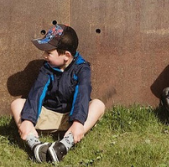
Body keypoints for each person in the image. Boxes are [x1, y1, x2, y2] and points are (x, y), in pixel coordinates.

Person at [11, 24, 106, 163]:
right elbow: (37, 93)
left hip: (70, 120)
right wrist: (28, 120)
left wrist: (78, 121)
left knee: (98, 105)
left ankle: (64, 144)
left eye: (49, 53)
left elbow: (82, 94)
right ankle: (35, 144)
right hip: (47, 116)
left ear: (66, 55)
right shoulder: (47, 69)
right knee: (17, 104)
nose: (44, 56)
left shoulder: (82, 69)